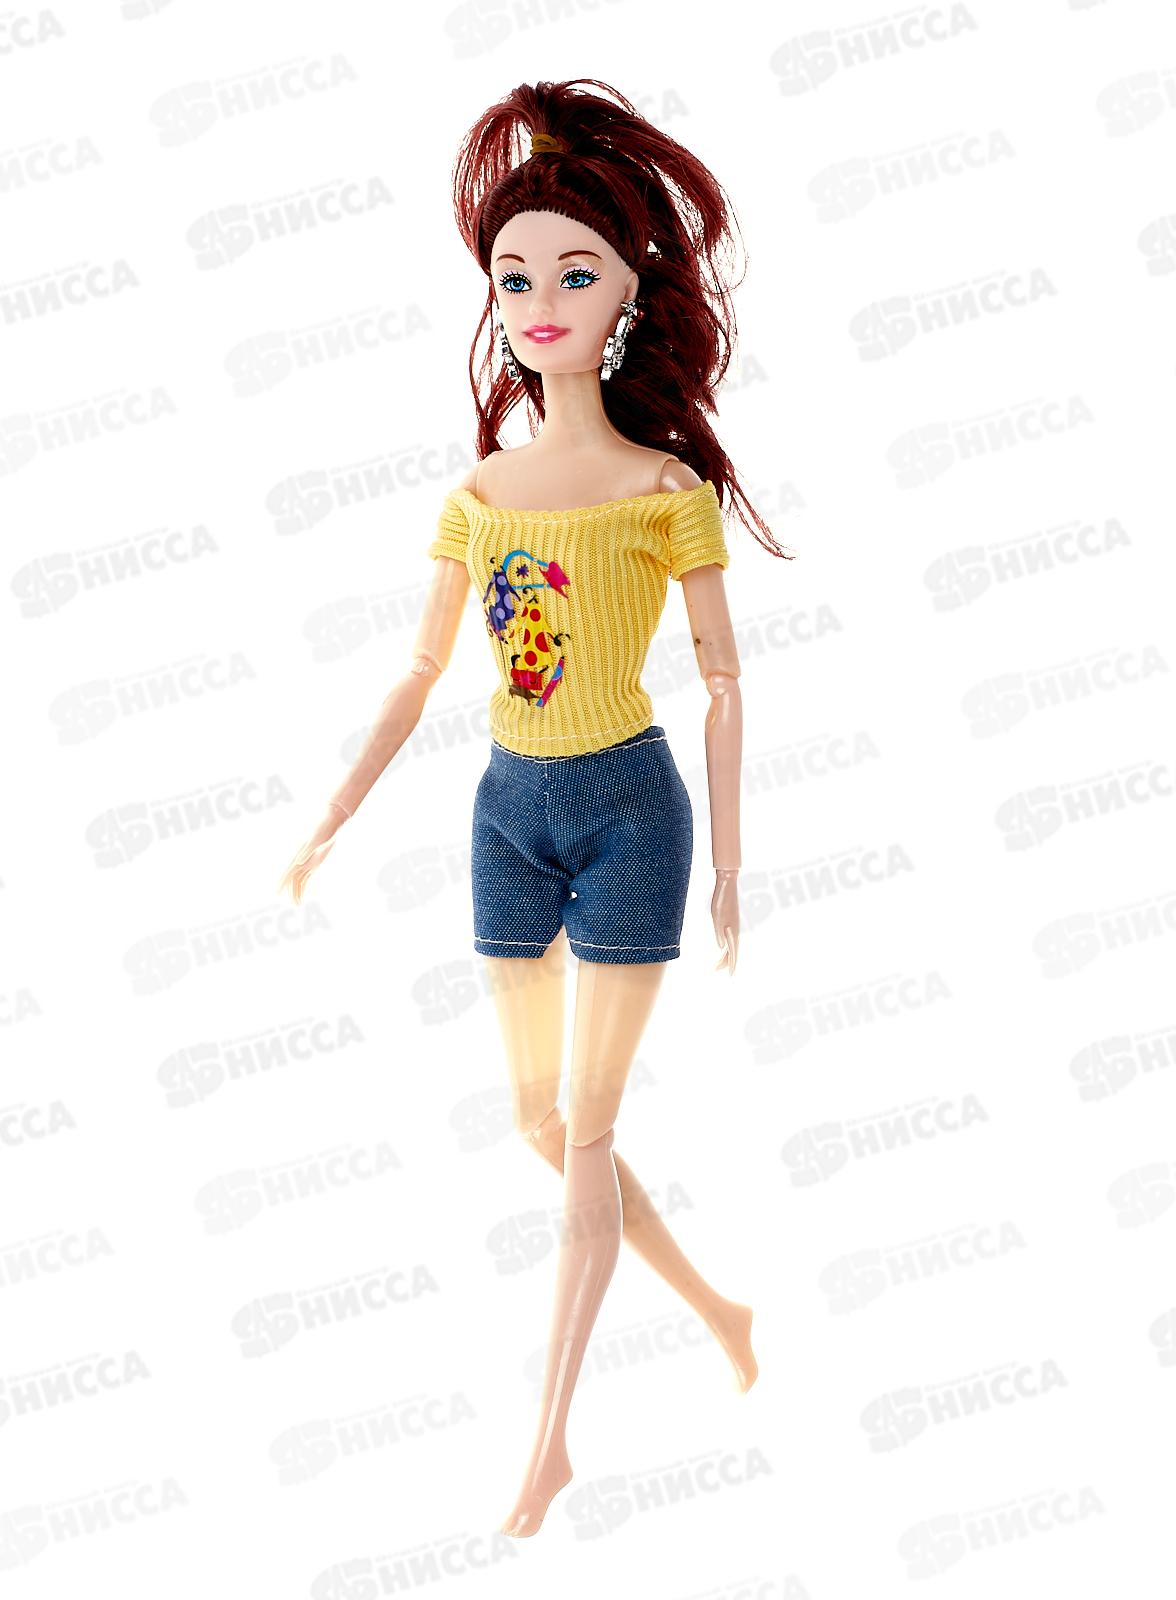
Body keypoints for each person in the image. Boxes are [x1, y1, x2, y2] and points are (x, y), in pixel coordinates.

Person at [280, 78, 791, 1538]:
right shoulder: (481, 494)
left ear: (631, 294)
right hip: (505, 806)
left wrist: (730, 868)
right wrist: (330, 816)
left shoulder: (662, 490)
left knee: (582, 1136)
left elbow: (725, 684)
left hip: (629, 809)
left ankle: (549, 1446)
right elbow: (419, 670)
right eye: (516, 278)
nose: (541, 303)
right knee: (535, 1115)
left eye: (576, 273)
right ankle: (721, 1308)